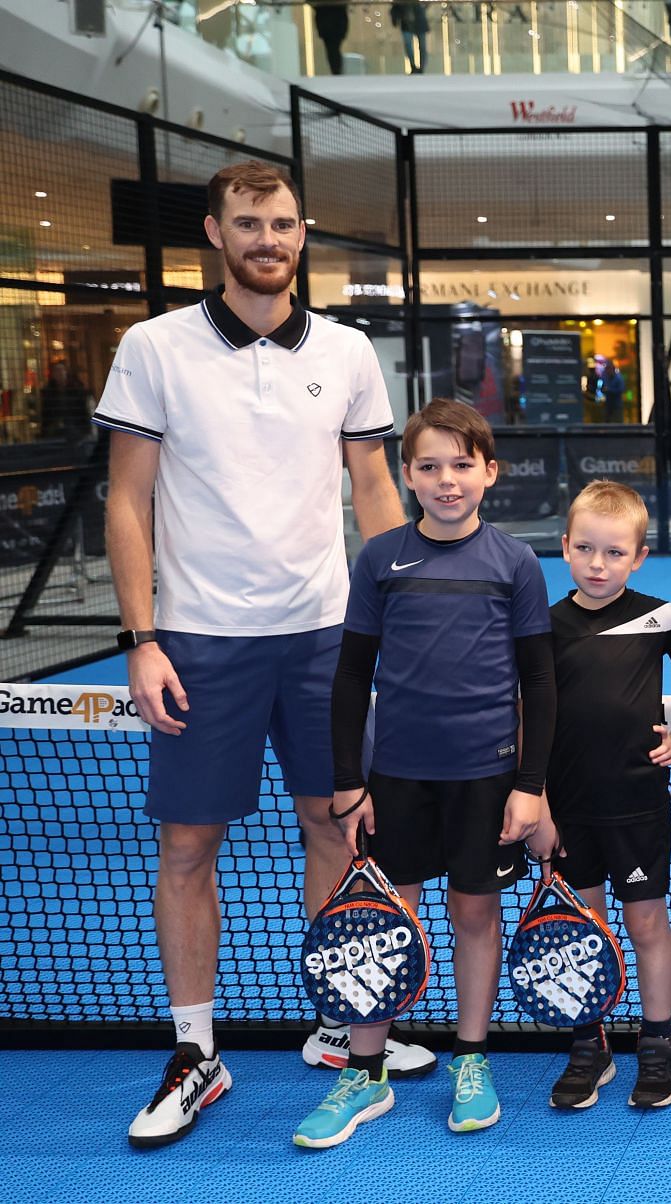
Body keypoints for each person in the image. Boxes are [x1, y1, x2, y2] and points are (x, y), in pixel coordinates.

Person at [104, 161, 422, 1150]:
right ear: (215, 232)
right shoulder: (153, 347)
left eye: (283, 223)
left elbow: (373, 489)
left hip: (328, 638)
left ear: (300, 232)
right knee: (190, 847)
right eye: (249, 223)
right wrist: (142, 637)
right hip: (201, 642)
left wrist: (394, 614)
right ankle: (198, 1050)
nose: (269, 238)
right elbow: (127, 500)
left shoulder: (348, 350)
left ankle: (339, 1017)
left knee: (339, 829)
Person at [293, 399, 554, 1148]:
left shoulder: (516, 562)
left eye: (462, 465)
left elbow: (540, 683)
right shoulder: (380, 559)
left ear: (490, 472)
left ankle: (471, 1063)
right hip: (397, 781)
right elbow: (351, 677)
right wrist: (350, 780)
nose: (447, 481)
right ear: (406, 475)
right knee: (383, 924)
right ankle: (364, 1072)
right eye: (430, 467)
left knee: (474, 915)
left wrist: (530, 786)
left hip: (486, 780)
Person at [536, 480, 671, 1111]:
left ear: (638, 556)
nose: (598, 564)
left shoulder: (662, 616)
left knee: (645, 923)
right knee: (584, 929)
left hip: (637, 803)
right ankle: (590, 1042)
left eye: (615, 553)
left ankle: (658, 1043)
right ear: (564, 548)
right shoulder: (544, 625)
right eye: (585, 549)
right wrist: (539, 807)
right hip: (567, 810)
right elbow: (525, 715)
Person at [36, 359, 93, 443]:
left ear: (66, 372)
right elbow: (46, 414)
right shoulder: (49, 392)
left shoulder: (76, 389)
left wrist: (86, 430)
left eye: (61, 370)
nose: (59, 373)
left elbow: (83, 410)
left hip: (76, 429)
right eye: (56, 371)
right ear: (53, 374)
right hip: (55, 431)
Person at [309, 0, 351, 74]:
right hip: (334, 20)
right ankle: (336, 71)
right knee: (333, 48)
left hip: (327, 20)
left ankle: (336, 70)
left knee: (332, 48)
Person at [390, 1, 429, 73]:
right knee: (408, 45)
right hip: (406, 23)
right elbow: (395, 6)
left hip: (419, 21)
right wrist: (395, 19)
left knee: (422, 46)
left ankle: (421, 68)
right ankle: (413, 66)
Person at [589, 353, 626, 422]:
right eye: (606, 369)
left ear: (613, 368)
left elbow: (621, 389)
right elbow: (600, 387)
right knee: (607, 421)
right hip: (607, 405)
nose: (607, 371)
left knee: (617, 421)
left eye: (609, 368)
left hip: (616, 405)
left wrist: (609, 390)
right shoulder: (604, 376)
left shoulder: (618, 378)